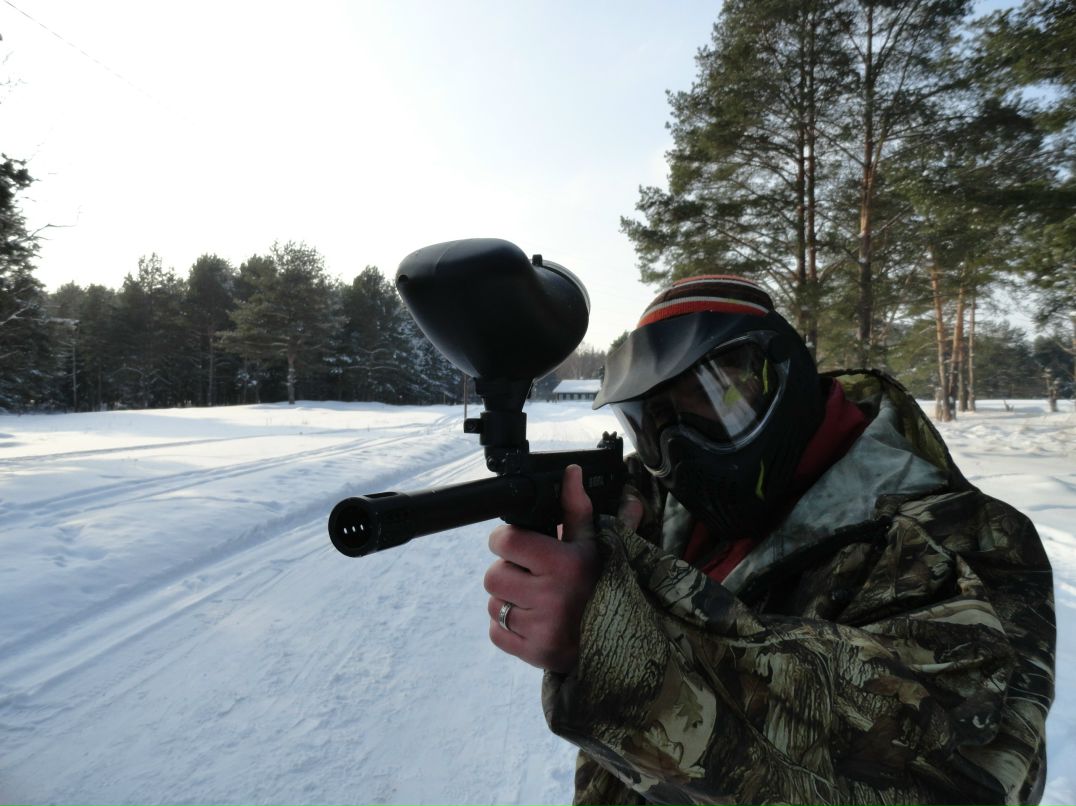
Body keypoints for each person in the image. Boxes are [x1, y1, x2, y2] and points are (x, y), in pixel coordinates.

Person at [483, 275, 1055, 805]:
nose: (684, 446)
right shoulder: (662, 513)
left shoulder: (960, 539)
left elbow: (950, 775)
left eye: (714, 397)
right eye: (657, 421)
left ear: (789, 381)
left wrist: (610, 636)